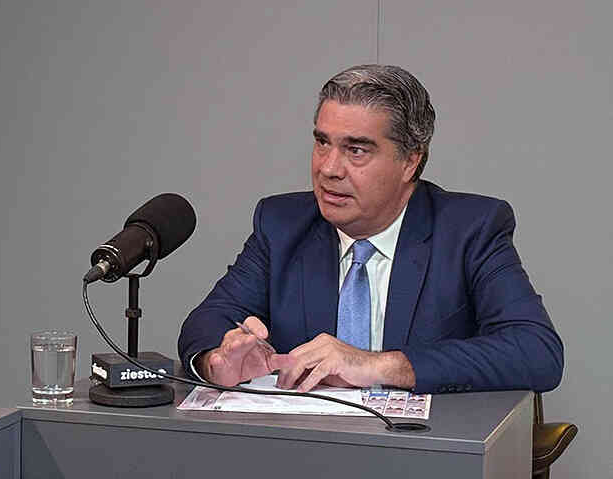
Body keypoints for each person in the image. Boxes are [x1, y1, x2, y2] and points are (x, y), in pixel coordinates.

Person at [177, 64, 563, 394]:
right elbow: (207, 321)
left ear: (410, 161)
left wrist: (379, 365)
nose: (329, 168)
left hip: (422, 447)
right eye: (322, 142)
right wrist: (217, 361)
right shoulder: (282, 224)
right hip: (303, 445)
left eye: (356, 150)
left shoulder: (469, 230)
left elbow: (536, 351)